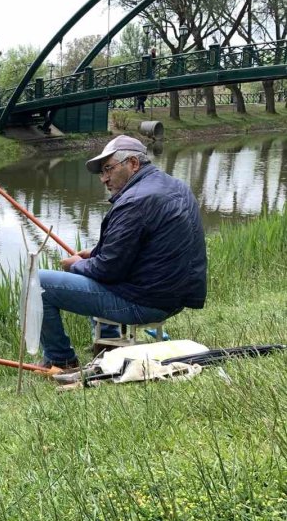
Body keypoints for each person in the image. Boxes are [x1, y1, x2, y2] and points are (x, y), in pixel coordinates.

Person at [35, 135, 207, 369]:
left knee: (39, 283)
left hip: (146, 303)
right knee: (91, 268)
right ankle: (109, 344)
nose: (103, 178)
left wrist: (75, 265)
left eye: (108, 169)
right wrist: (94, 254)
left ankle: (60, 359)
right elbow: (148, 247)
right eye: (102, 172)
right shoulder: (176, 186)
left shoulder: (134, 201)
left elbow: (107, 270)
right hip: (175, 298)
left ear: (133, 164)